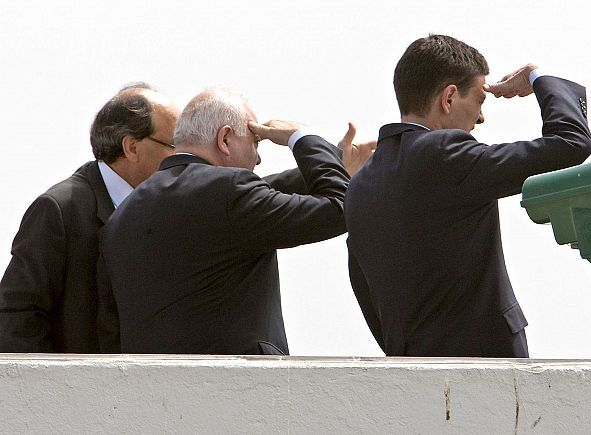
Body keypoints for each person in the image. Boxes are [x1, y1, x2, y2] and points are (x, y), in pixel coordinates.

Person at [345, 34, 591, 358]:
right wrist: (538, 76)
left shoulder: (360, 184)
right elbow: (571, 143)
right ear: (449, 98)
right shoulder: (444, 154)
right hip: (486, 374)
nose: (480, 118)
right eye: (479, 100)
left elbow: (366, 293)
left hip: (411, 374)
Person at [96, 87, 367, 355]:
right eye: (256, 142)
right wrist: (301, 137)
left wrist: (334, 162)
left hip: (152, 389)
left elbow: (254, 194)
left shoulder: (122, 216)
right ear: (225, 138)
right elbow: (339, 207)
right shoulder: (229, 194)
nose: (258, 158)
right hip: (239, 388)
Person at [0, 83, 181, 352]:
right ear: (131, 147)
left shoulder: (167, 210)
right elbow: (17, 317)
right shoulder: (59, 210)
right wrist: (57, 390)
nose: (181, 158)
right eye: (173, 145)